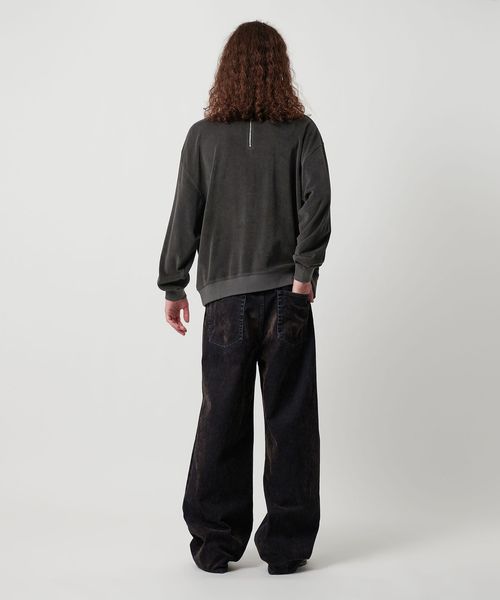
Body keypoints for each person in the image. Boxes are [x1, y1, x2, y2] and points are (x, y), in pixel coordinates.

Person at [157, 20, 332, 575]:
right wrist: (303, 274)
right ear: (280, 69)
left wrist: (174, 283)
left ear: (227, 70)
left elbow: (184, 213)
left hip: (226, 304)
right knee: (291, 421)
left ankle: (215, 541)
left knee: (222, 421)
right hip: (287, 298)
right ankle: (287, 547)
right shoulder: (301, 132)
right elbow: (318, 205)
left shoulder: (203, 137)